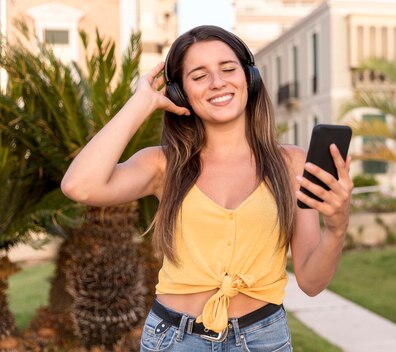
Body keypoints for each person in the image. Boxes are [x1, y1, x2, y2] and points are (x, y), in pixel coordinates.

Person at [61, 25, 352, 351]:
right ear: (181, 92)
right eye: (199, 76)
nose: (217, 82)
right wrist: (141, 102)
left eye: (228, 69)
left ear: (249, 77)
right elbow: (79, 186)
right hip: (174, 340)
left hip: (263, 339)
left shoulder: (292, 164)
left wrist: (337, 228)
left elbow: (311, 283)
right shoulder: (163, 165)